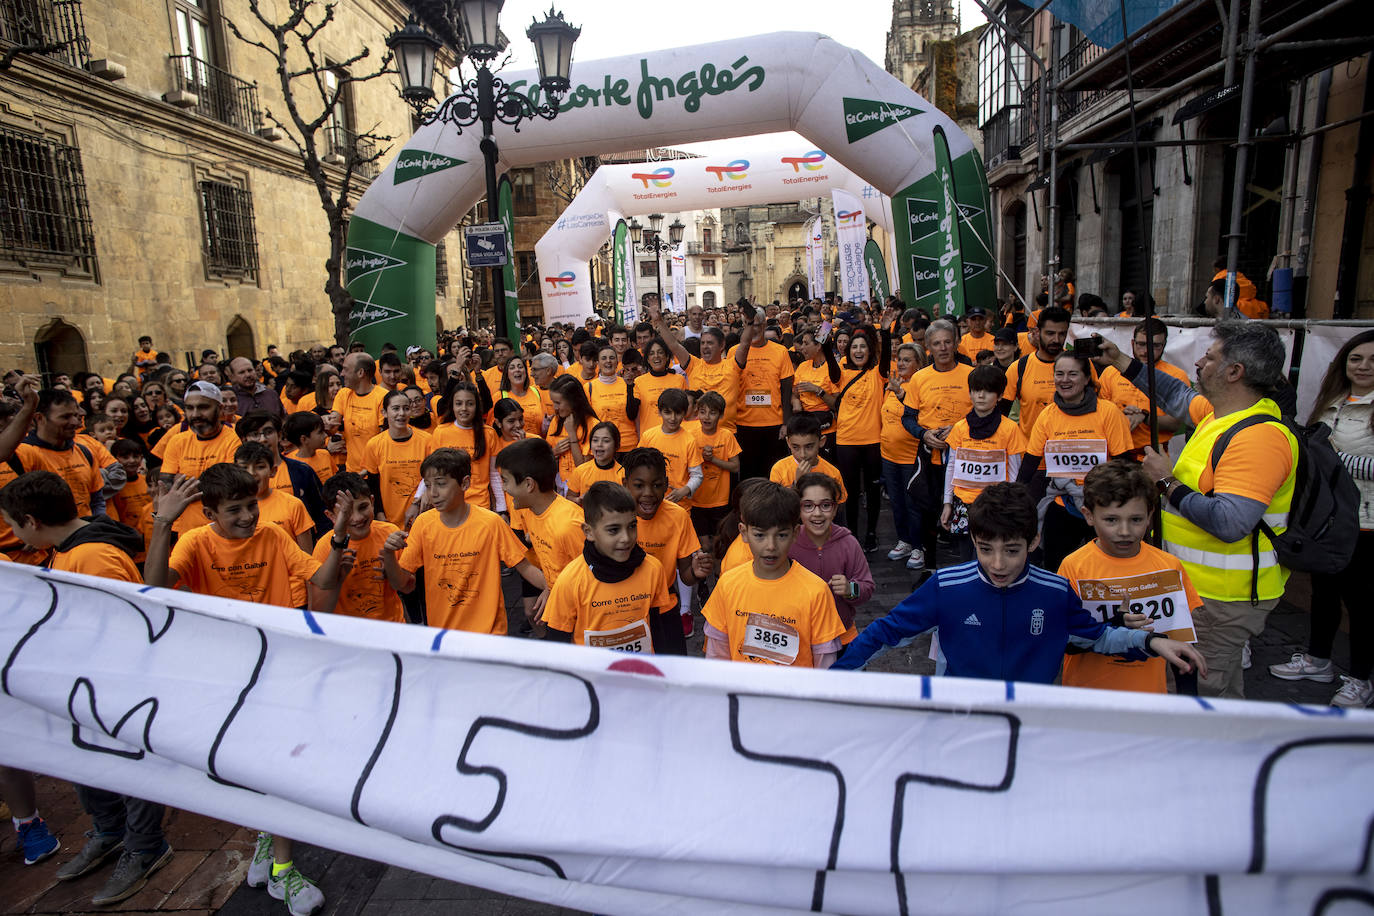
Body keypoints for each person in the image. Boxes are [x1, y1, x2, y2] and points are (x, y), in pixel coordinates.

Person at [147, 465, 351, 916]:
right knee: (245, 768)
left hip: (280, 668)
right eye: (234, 509)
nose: (247, 516)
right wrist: (162, 522)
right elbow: (156, 589)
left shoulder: (275, 536)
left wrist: (338, 539)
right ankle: (266, 838)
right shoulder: (195, 542)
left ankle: (283, 869)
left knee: (278, 768)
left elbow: (322, 580)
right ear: (208, 513)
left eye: (251, 505)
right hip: (224, 674)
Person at [1093, 322, 1298, 699]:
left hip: (1223, 599)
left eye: (1211, 356)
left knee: (1198, 690)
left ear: (1234, 372)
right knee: (1217, 686)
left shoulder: (1258, 438)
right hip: (1200, 590)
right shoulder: (1222, 414)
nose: (1200, 362)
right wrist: (1120, 359)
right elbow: (1175, 395)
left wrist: (1166, 481)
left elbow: (1230, 522)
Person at [831, 482, 1207, 681]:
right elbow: (886, 633)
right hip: (962, 721)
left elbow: (1098, 638)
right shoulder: (946, 585)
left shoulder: (1056, 592)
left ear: (1033, 542)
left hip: (1030, 725)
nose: (997, 564)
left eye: (1012, 550)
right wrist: (833, 678)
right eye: (984, 549)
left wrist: (1152, 641)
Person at [1268, 329, 1374, 707]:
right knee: (1324, 595)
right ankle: (1318, 660)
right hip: (1325, 521)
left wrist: (1333, 462)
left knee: (1361, 605)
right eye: (1356, 358)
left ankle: (1361, 678)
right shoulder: (1332, 401)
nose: (1363, 367)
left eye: (1372, 360)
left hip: (1366, 523)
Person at [1058, 461, 1204, 694]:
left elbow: (1182, 642)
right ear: (1089, 516)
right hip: (1087, 695)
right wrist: (1115, 624)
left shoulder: (1168, 566)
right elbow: (1065, 639)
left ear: (1149, 516)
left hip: (1147, 696)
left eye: (1135, 520)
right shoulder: (1074, 567)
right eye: (1111, 520)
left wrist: (1189, 698)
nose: (1124, 531)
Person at [385, 448, 546, 633]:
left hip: (489, 633)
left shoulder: (490, 523)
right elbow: (402, 584)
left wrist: (551, 588)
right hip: (443, 635)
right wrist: (389, 555)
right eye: (428, 486)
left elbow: (525, 567)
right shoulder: (423, 524)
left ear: (465, 483)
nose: (433, 493)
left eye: (441, 484)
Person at [702, 480, 846, 667]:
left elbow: (824, 665)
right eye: (760, 535)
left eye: (781, 535)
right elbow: (717, 657)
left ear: (795, 533)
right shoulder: (727, 585)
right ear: (743, 532)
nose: (771, 546)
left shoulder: (816, 592)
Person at [1016, 352, 1134, 571]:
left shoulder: (1108, 412)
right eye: (1059, 374)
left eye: (1072, 374)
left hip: (1103, 506)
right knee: (1055, 568)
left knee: (1107, 567)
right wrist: (1014, 497)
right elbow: (1030, 465)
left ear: (1087, 378)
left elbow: (1124, 465)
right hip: (1063, 504)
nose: (1064, 380)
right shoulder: (1047, 415)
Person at [542, 479, 682, 653]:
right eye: (613, 530)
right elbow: (557, 643)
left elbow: (659, 626)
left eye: (632, 526)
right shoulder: (570, 581)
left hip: (641, 674)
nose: (626, 538)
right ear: (589, 532)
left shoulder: (653, 569)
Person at [901, 319, 973, 570]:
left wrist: (959, 429)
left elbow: (983, 411)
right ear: (928, 347)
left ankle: (967, 569)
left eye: (947, 342)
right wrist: (923, 434)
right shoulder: (920, 378)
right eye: (936, 344)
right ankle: (930, 566)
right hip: (930, 454)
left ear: (956, 343)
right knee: (928, 511)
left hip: (965, 456)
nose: (943, 348)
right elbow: (907, 417)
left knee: (964, 514)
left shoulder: (970, 374)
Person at [622, 447, 713, 638]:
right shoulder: (616, 516)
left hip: (664, 604)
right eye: (639, 485)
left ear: (666, 485)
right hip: (623, 607)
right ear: (625, 484)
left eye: (656, 485)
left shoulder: (678, 517)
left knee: (672, 663)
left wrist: (696, 573)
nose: (648, 493)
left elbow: (686, 575)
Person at [495, 437, 586, 628]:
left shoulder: (569, 525)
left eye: (506, 481)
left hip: (579, 616)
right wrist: (550, 587)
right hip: (560, 605)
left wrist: (556, 591)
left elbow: (591, 578)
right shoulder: (530, 511)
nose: (504, 488)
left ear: (529, 484)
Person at [942, 365, 1027, 561]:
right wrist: (947, 503)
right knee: (966, 559)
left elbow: (1015, 472)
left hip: (997, 506)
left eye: (988, 391)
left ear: (999, 396)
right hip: (964, 505)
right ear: (970, 393)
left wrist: (1012, 506)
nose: (981, 395)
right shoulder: (960, 428)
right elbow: (952, 468)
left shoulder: (1009, 429)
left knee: (990, 559)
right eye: (976, 390)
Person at [0, 379, 112, 521]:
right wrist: (29, 405)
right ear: (40, 418)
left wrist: (96, 527)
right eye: (65, 417)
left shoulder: (84, 451)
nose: (74, 422)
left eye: (75, 415)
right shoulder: (26, 453)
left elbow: (96, 500)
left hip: (84, 537)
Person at [826, 324, 890, 552]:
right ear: (848, 351)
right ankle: (851, 533)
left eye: (863, 346)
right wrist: (824, 338)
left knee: (872, 491)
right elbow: (829, 359)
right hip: (846, 442)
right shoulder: (841, 373)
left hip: (873, 441)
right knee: (850, 492)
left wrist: (885, 330)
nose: (859, 350)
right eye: (854, 347)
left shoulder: (877, 374)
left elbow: (886, 357)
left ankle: (871, 532)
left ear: (870, 350)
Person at [790, 472, 874, 645]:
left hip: (842, 636)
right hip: (799, 639)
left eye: (825, 505)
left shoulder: (848, 543)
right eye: (808, 506)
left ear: (835, 509)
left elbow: (867, 587)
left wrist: (850, 589)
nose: (817, 513)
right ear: (799, 509)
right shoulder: (788, 543)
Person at [312, 472, 408, 623]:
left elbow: (405, 587)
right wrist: (338, 578)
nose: (357, 518)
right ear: (331, 516)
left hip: (391, 629)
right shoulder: (324, 548)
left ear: (372, 501)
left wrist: (392, 568)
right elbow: (318, 611)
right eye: (346, 513)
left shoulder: (389, 533)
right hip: (349, 636)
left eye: (362, 507)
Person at [648, 301, 741, 432]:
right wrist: (659, 321)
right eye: (702, 343)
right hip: (696, 434)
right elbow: (674, 345)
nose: (705, 347)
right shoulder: (693, 365)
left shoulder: (732, 365)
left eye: (710, 343)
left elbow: (747, 342)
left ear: (721, 345)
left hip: (727, 434)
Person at [731, 303, 794, 480]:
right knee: (749, 477)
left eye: (757, 325)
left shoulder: (780, 352)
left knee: (772, 476)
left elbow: (787, 390)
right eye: (749, 325)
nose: (754, 329)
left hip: (773, 424)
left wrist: (786, 423)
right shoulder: (734, 352)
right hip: (744, 424)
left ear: (765, 325)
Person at [363, 390, 434, 524]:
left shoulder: (427, 441)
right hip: (390, 521)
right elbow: (373, 483)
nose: (401, 413)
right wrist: (379, 514)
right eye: (396, 409)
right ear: (384, 412)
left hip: (421, 518)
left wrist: (417, 503)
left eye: (406, 409)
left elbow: (432, 477)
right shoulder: (374, 444)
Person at [880, 342, 923, 563]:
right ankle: (904, 540)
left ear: (918, 363)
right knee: (896, 501)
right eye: (900, 359)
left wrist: (900, 393)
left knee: (912, 504)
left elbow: (919, 415)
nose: (902, 363)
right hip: (888, 456)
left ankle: (918, 546)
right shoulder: (891, 383)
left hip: (911, 456)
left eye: (908, 360)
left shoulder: (919, 385)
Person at [1002, 305, 1073, 437]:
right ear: (1037, 332)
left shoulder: (1081, 366)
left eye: (1062, 334)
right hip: (1028, 452)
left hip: (1068, 451)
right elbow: (1001, 414)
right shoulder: (1018, 368)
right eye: (1050, 333)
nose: (1056, 340)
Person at [432, 381, 498, 510]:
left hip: (480, 505)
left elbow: (494, 474)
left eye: (470, 404)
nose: (464, 408)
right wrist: (418, 499)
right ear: (452, 406)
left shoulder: (489, 433)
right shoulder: (440, 432)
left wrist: (501, 508)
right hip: (449, 503)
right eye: (458, 403)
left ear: (477, 406)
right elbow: (433, 471)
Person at [689, 391, 740, 557]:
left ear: (721, 414)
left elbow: (735, 467)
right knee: (704, 545)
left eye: (712, 412)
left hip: (720, 500)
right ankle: (703, 580)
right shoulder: (691, 437)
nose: (707, 417)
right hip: (697, 501)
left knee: (719, 544)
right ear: (697, 413)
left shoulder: (727, 436)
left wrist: (713, 459)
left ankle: (719, 577)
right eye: (703, 412)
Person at [638, 389, 703, 508]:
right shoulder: (648, 436)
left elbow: (697, 475)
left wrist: (684, 491)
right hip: (651, 503)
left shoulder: (689, 441)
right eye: (667, 412)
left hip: (679, 505)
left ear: (684, 413)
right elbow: (637, 467)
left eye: (678, 413)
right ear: (659, 412)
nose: (673, 418)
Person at [770, 414, 848, 503]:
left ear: (822, 442)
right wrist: (797, 484)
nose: (802, 455)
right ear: (788, 442)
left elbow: (838, 509)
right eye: (795, 447)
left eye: (809, 447)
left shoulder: (833, 473)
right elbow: (776, 509)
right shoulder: (779, 469)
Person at [333, 353, 387, 473]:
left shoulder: (382, 397)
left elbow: (385, 440)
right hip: (351, 472)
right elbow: (332, 425)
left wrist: (368, 469)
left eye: (346, 369)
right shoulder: (343, 394)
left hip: (376, 472)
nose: (341, 374)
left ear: (360, 373)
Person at [584, 343, 640, 454]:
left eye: (612, 358)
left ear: (617, 363)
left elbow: (637, 417)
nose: (608, 361)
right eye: (604, 358)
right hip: (603, 448)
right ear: (598, 363)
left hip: (629, 446)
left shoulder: (630, 384)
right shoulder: (589, 388)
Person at [546, 374, 597, 491]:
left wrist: (572, 434)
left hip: (582, 487)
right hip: (560, 486)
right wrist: (554, 452)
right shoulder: (556, 420)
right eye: (553, 402)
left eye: (558, 403)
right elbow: (546, 456)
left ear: (573, 401)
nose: (555, 407)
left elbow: (582, 467)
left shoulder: (593, 424)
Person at [634, 338, 686, 434]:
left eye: (660, 352)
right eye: (652, 353)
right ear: (648, 359)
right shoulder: (638, 382)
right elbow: (636, 416)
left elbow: (684, 411)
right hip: (649, 438)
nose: (656, 356)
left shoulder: (679, 380)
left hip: (675, 436)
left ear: (667, 357)